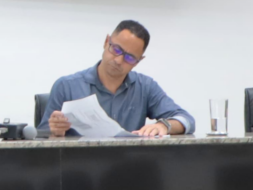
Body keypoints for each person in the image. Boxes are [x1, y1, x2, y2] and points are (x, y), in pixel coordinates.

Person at [42, 20, 194, 137]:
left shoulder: (145, 87)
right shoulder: (67, 86)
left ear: (138, 61)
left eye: (130, 58)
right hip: (79, 165)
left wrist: (164, 125)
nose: (119, 60)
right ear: (106, 42)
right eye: (116, 49)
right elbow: (41, 138)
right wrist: (55, 132)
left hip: (128, 164)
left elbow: (186, 119)